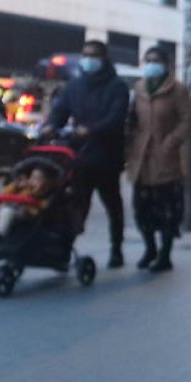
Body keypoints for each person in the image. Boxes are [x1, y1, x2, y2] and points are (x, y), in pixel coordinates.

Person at [42, 40, 130, 269]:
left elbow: (117, 118)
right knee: (76, 206)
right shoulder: (75, 85)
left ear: (103, 59)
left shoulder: (117, 86)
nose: (88, 60)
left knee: (112, 204)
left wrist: (93, 129)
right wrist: (52, 124)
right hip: (79, 157)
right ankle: (63, 250)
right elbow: (60, 110)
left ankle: (116, 248)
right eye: (85, 55)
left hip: (107, 157)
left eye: (93, 56)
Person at [125, 46, 191, 272]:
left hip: (166, 158)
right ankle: (150, 249)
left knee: (166, 210)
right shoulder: (139, 88)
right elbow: (133, 118)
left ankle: (165, 254)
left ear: (166, 64)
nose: (151, 64)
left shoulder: (178, 90)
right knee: (141, 209)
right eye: (148, 60)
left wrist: (171, 141)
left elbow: (187, 121)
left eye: (156, 60)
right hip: (141, 159)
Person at [0, 159, 58, 242]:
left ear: (46, 182)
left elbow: (42, 205)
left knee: (6, 212)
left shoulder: (43, 192)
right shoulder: (20, 188)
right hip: (8, 206)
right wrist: (15, 185)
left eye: (37, 179)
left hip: (23, 212)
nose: (32, 181)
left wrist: (36, 190)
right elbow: (5, 193)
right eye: (31, 177)